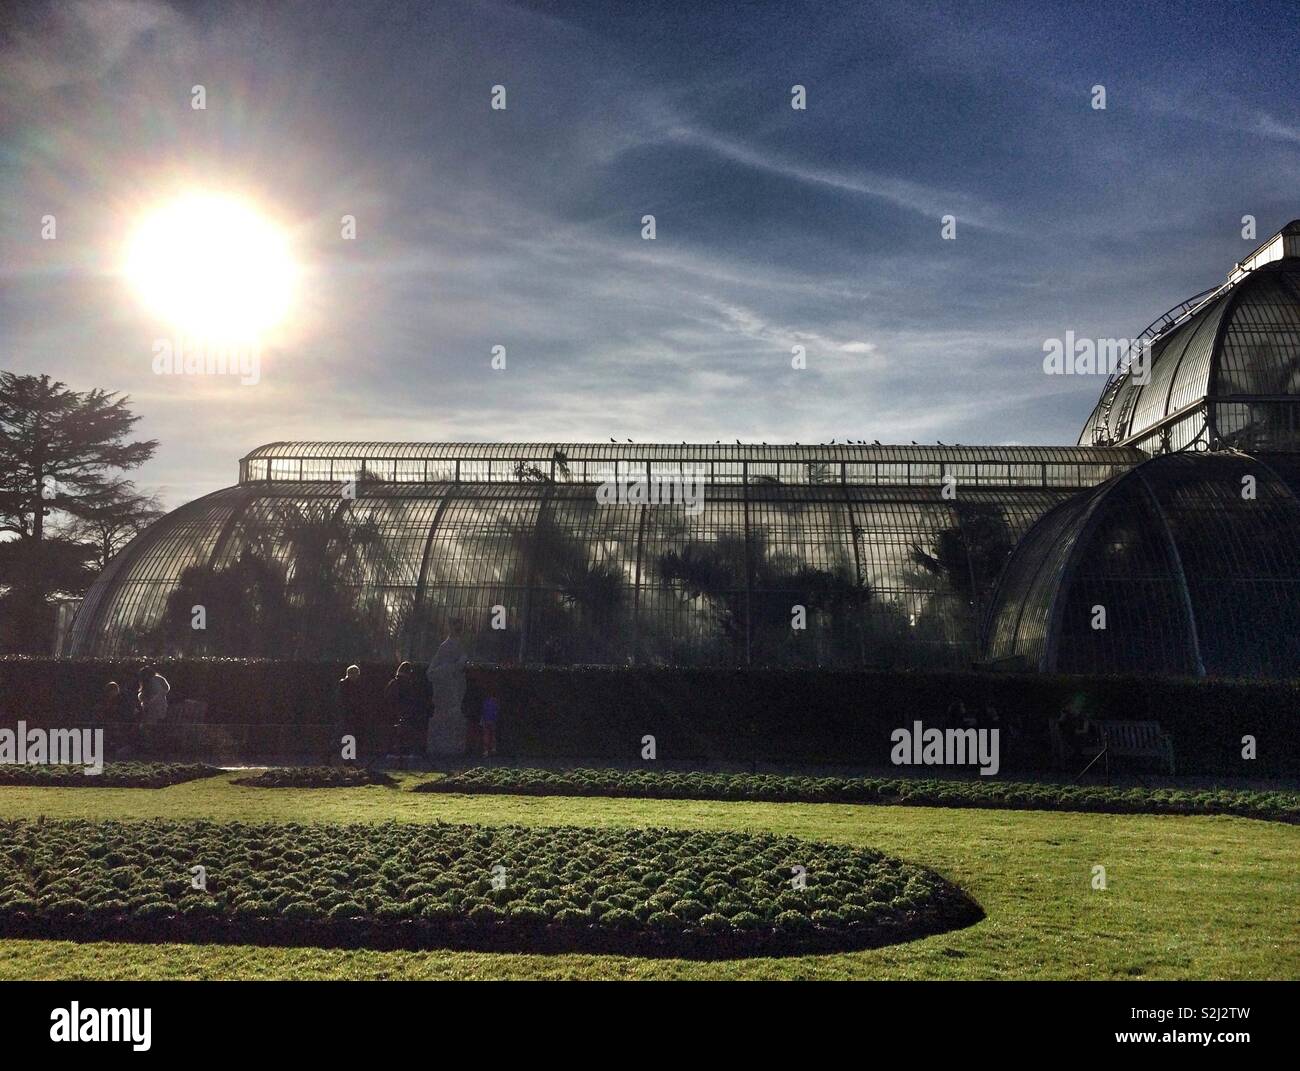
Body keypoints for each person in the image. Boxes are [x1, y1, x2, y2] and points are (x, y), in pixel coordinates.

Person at [425, 619, 468, 756]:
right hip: (446, 685)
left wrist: (454, 667)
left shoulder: (460, 645)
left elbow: (462, 661)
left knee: (452, 709)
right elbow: (432, 669)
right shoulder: (445, 646)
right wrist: (445, 669)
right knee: (446, 710)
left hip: (454, 684)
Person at [384, 661, 426, 765]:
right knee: (409, 732)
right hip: (406, 711)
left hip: (394, 712)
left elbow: (388, 697)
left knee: (396, 733)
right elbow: (412, 698)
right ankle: (408, 752)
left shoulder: (394, 683)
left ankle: (393, 751)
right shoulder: (408, 684)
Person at [336, 664, 366, 765]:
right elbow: (345, 701)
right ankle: (347, 759)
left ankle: (348, 759)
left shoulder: (345, 684)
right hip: (348, 715)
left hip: (348, 714)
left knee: (348, 736)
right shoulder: (347, 685)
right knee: (348, 736)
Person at [480, 694, 499, 759]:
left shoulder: (485, 702)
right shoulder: (495, 702)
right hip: (492, 720)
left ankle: (486, 751)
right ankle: (493, 749)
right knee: (493, 734)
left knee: (486, 734)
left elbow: (482, 711)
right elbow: (496, 711)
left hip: (486, 720)